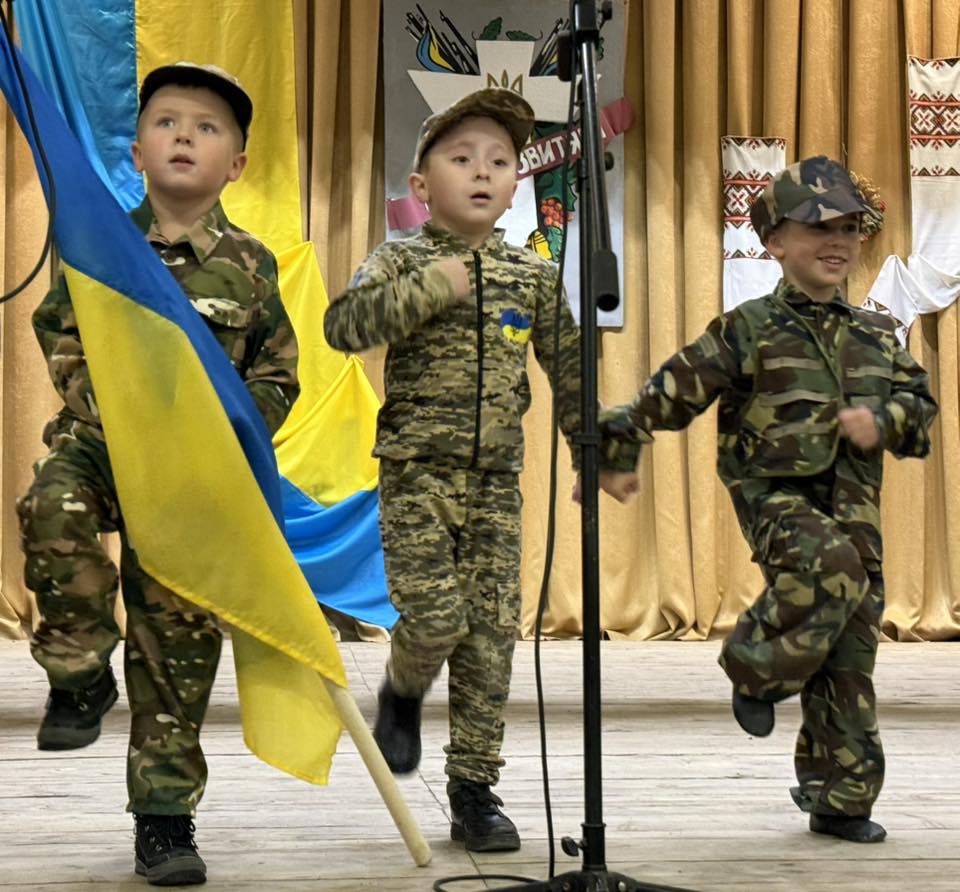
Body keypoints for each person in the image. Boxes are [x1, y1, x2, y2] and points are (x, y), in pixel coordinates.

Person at [324, 87, 634, 851]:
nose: (483, 172)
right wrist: (432, 288)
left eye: (499, 161)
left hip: (497, 480)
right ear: (422, 185)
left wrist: (595, 453)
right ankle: (402, 690)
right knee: (435, 618)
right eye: (461, 159)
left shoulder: (530, 274)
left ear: (516, 184)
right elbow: (344, 327)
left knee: (492, 636)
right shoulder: (401, 259)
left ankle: (474, 788)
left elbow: (571, 370)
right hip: (416, 474)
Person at [596, 157, 937, 844]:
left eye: (849, 228)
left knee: (851, 652)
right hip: (774, 495)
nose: (837, 241)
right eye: (817, 228)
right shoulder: (748, 327)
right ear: (775, 242)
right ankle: (754, 667)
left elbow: (920, 409)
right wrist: (617, 449)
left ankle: (839, 798)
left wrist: (886, 420)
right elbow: (671, 392)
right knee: (831, 567)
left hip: (855, 508)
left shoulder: (876, 332)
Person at [17, 62, 299, 885]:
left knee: (176, 642)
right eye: (167, 122)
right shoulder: (99, 245)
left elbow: (278, 375)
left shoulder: (252, 265)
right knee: (52, 502)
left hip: (195, 474)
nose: (184, 136)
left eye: (207, 128)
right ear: (137, 151)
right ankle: (79, 671)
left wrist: (228, 435)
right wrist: (114, 413)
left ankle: (165, 821)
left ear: (236, 164)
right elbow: (60, 334)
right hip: (102, 444)